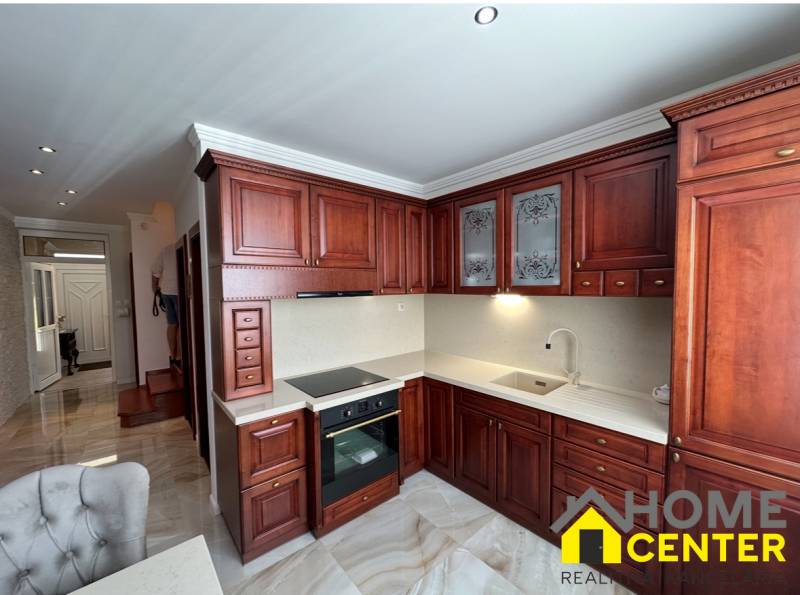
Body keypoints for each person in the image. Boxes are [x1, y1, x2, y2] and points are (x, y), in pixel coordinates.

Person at [152, 246, 180, 368]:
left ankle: (173, 356)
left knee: (172, 324)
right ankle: (180, 356)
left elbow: (155, 271)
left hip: (166, 292)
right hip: (179, 292)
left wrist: (155, 288)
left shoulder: (166, 250)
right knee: (182, 325)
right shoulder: (182, 247)